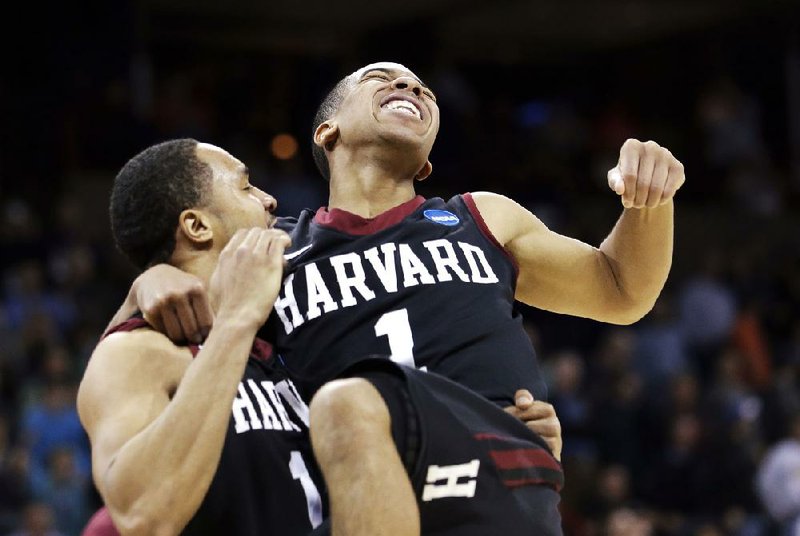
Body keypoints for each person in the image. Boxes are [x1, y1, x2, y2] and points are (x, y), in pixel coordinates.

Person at [115, 60, 684, 534]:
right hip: (361, 491)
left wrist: (649, 205)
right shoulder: (272, 248)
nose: (410, 87)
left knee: (348, 404)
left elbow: (621, 290)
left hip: (495, 471)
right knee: (347, 408)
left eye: (423, 90)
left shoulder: (479, 217)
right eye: (382, 78)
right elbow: (179, 306)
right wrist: (149, 281)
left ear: (427, 160)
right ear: (326, 131)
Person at [85, 139, 564, 536]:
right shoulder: (137, 352)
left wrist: (487, 433)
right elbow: (142, 515)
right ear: (196, 225)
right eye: (246, 186)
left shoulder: (284, 347)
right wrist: (230, 320)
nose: (271, 201)